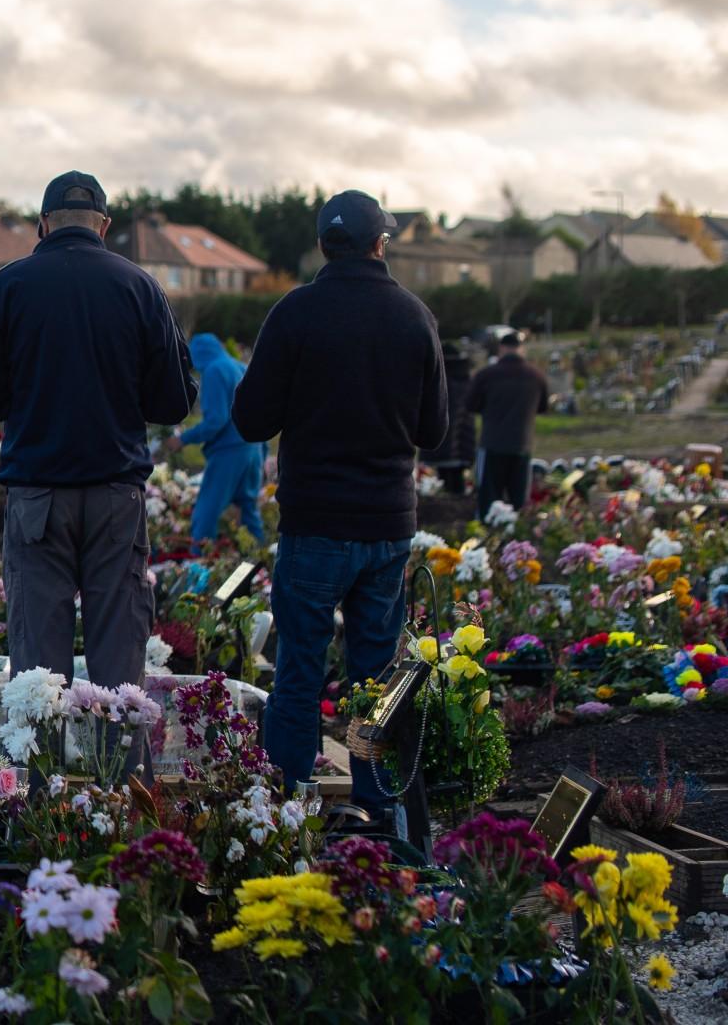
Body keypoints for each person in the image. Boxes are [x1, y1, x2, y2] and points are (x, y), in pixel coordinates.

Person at [232, 190, 447, 819]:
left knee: (298, 672)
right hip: (385, 526)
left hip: (315, 524)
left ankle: (282, 818)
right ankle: (379, 818)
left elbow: (250, 419)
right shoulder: (414, 315)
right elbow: (432, 430)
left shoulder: (296, 313)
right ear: (381, 242)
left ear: (324, 245)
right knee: (375, 682)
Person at [0, 171, 196, 687]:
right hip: (114, 497)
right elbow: (175, 400)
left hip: (38, 496)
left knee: (39, 672)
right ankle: (121, 769)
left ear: (42, 224)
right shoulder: (139, 286)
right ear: (104, 225)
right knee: (120, 672)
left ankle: (42, 770)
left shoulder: (8, 285)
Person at [166, 334, 265, 548]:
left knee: (206, 513)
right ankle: (260, 566)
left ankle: (197, 566)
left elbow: (215, 421)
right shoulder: (238, 365)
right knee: (249, 512)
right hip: (253, 448)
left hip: (229, 451)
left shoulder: (213, 371)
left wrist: (183, 439)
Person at [467, 331, 549, 519]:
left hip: (492, 443)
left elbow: (471, 405)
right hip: (522, 444)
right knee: (518, 501)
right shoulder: (536, 376)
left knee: (488, 498)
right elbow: (542, 407)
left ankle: (485, 539)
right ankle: (516, 539)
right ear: (521, 349)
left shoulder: (486, 375)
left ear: (501, 349)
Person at [421, 342, 475, 494]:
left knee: (443, 484)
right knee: (457, 482)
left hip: (441, 441)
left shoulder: (439, 381)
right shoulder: (466, 379)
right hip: (463, 441)